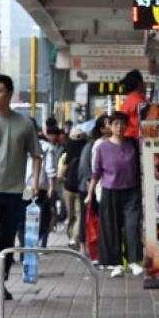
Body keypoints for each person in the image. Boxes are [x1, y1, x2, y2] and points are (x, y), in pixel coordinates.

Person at [0, 75, 42, 300]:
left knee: (7, 240)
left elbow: (36, 154)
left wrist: (35, 182)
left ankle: (0, 283)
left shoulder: (24, 124)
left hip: (14, 191)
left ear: (9, 93)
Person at [85, 112, 143, 278]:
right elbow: (95, 173)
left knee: (131, 227)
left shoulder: (133, 143)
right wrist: (90, 195)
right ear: (109, 126)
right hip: (110, 193)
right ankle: (116, 263)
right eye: (116, 123)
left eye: (122, 123)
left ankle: (133, 261)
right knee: (112, 229)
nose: (120, 127)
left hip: (132, 191)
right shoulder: (101, 147)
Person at [20, 119, 57, 251]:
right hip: (29, 188)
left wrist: (51, 186)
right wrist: (51, 186)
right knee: (38, 218)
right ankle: (30, 246)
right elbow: (50, 168)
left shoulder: (45, 147)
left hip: (37, 188)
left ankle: (31, 246)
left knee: (30, 218)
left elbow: (49, 168)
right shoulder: (44, 146)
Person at [77, 116, 108, 257]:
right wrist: (91, 188)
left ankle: (94, 248)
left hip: (97, 187)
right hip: (89, 188)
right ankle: (84, 248)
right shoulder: (93, 146)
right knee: (87, 218)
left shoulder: (106, 144)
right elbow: (86, 169)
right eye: (109, 124)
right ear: (101, 129)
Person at [59, 126, 87, 248]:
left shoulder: (66, 153)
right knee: (79, 214)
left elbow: (60, 174)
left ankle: (71, 237)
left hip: (68, 187)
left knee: (71, 214)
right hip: (82, 187)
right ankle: (75, 237)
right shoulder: (87, 151)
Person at [119, 70, 148, 140]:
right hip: (136, 139)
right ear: (139, 83)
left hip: (131, 137)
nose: (144, 83)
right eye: (143, 81)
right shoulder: (139, 101)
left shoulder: (129, 100)